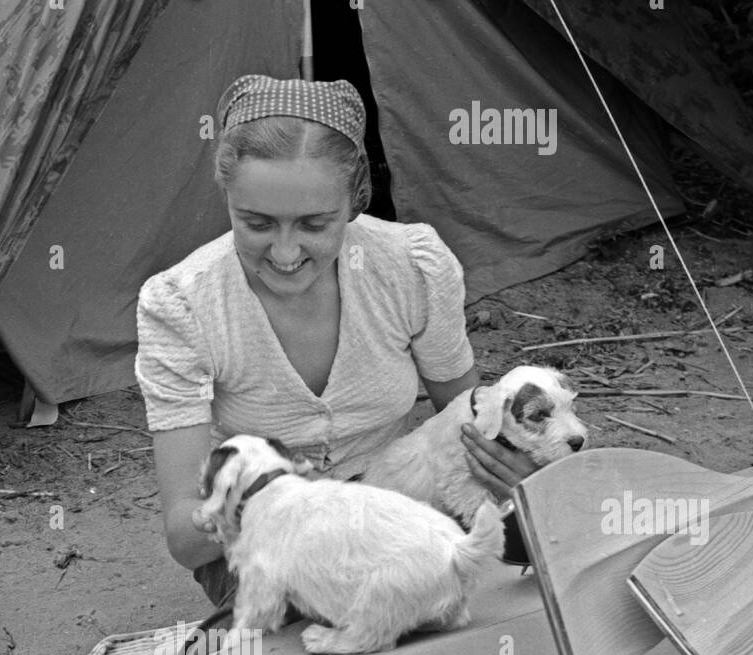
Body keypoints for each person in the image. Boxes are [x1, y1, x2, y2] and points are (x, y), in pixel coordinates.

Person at [135, 74, 537, 609]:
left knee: (499, 587)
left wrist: (518, 472)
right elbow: (187, 541)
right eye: (255, 223)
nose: (283, 253)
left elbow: (465, 420)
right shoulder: (182, 305)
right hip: (263, 539)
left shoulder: (410, 267)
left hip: (396, 506)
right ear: (226, 199)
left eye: (314, 224)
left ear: (355, 200)